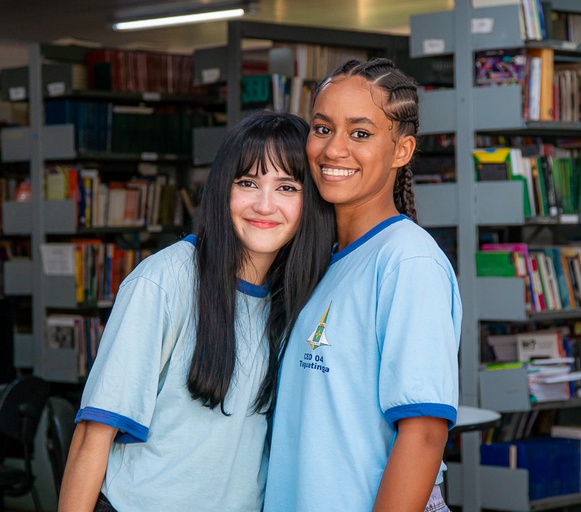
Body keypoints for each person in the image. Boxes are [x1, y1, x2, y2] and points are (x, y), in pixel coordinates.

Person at [58, 110, 335, 512]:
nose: (264, 204)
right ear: (223, 190)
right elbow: (93, 435)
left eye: (287, 187)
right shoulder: (164, 281)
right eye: (248, 183)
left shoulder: (299, 297)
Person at [264, 58, 461, 512]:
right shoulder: (318, 261)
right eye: (321, 128)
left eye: (360, 133)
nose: (334, 150)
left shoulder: (407, 261)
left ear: (402, 150)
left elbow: (425, 433)